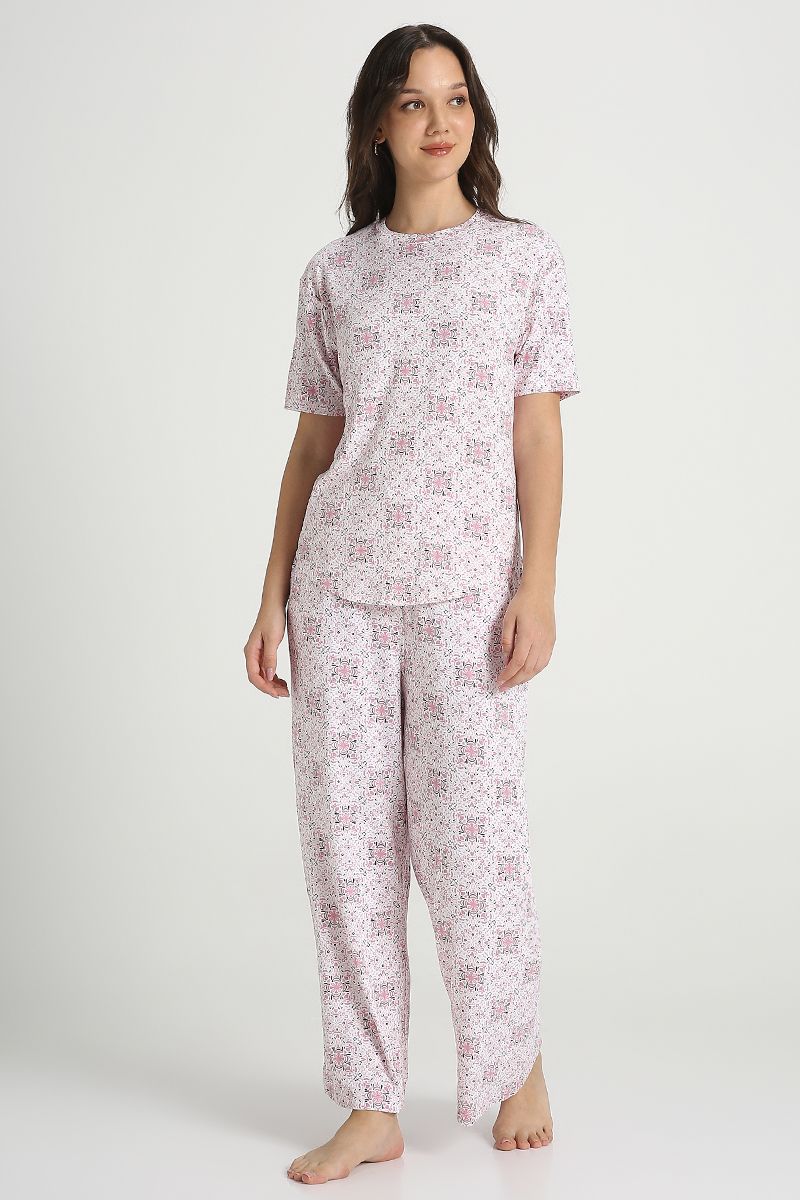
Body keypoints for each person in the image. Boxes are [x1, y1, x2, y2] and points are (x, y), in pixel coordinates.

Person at [244, 23, 581, 1185]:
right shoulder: (334, 274)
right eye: (410, 102)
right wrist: (271, 596)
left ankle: (512, 1060)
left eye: (454, 99)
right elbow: (312, 448)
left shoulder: (522, 260)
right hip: (338, 588)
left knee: (470, 842)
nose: (438, 122)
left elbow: (535, 433)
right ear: (376, 126)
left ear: (474, 117)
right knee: (345, 851)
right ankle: (370, 1101)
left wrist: (537, 583)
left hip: (466, 589)